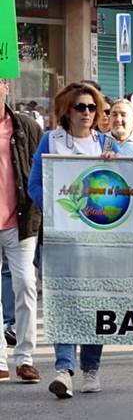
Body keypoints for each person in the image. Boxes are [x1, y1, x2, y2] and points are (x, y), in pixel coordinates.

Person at [27, 82, 113, 397]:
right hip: (61, 238)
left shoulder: (106, 143)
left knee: (94, 304)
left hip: (99, 242)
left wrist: (114, 164)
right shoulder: (52, 141)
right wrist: (52, 207)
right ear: (67, 110)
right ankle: (64, 368)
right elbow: (34, 184)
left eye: (93, 107)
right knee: (63, 302)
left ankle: (91, 368)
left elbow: (125, 189)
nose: (87, 113)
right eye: (81, 107)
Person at [0, 78, 43, 384]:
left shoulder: (25, 126)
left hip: (21, 219)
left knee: (26, 284)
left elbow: (44, 166)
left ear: (6, 85)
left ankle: (25, 357)